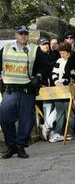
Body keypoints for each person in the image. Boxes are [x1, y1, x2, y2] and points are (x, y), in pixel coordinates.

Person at [0, 25, 50, 158]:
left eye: (26, 33)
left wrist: (38, 77)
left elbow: (46, 67)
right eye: (21, 33)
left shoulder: (34, 50)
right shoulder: (5, 49)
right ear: (16, 35)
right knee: (4, 119)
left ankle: (20, 146)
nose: (24, 36)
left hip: (27, 90)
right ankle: (11, 145)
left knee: (27, 121)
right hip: (10, 91)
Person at [48, 42, 75, 143]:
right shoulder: (59, 61)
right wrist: (56, 81)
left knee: (69, 112)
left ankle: (70, 132)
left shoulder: (72, 61)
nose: (62, 55)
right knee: (59, 112)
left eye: (63, 53)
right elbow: (54, 73)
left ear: (68, 52)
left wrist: (64, 81)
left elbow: (72, 75)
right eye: (60, 53)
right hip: (59, 89)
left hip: (67, 89)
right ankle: (58, 132)